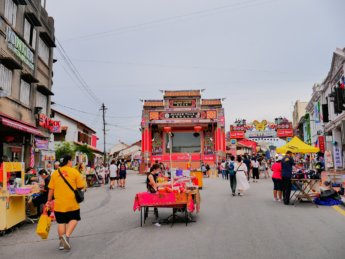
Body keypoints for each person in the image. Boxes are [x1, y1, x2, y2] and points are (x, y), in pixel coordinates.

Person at [46, 155, 85, 251]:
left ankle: (61, 243)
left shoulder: (55, 173)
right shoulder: (74, 171)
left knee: (61, 222)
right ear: (68, 161)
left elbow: (51, 189)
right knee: (74, 218)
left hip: (59, 203)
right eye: (71, 161)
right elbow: (81, 186)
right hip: (72, 202)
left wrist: (49, 201)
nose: (72, 163)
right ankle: (66, 236)